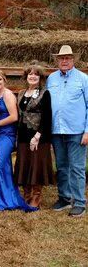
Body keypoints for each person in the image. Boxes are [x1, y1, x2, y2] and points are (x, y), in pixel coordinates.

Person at [46, 45, 88, 217]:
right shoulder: (52, 79)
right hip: (57, 130)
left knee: (77, 168)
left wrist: (87, 131)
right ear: (57, 60)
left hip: (76, 131)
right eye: (61, 58)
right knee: (61, 166)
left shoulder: (83, 79)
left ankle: (79, 202)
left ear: (73, 60)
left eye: (68, 58)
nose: (64, 61)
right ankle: (64, 198)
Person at [0, 70, 36, 212]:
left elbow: (14, 117)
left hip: (7, 135)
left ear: (5, 81)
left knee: (1, 164)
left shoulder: (8, 94)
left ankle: (8, 199)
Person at [14, 63, 54, 208]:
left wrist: (37, 136)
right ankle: (27, 195)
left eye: (35, 74)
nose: (32, 76)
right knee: (24, 164)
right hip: (23, 135)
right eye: (30, 74)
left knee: (36, 166)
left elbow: (47, 117)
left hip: (39, 136)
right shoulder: (21, 93)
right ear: (26, 76)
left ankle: (36, 196)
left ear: (40, 77)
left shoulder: (45, 93)